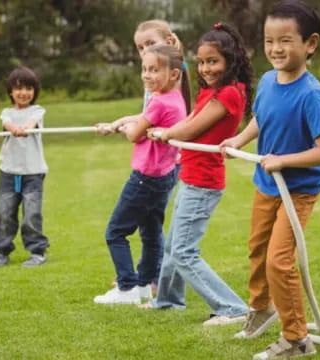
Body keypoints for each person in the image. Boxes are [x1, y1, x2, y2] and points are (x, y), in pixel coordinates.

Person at [219, 1, 320, 358]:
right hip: (266, 184)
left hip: (297, 190)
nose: (275, 48)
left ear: (310, 44)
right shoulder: (269, 80)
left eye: (285, 40)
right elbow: (261, 119)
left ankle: (297, 339)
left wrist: (283, 160)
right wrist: (238, 139)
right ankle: (261, 309)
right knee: (257, 249)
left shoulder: (311, 94)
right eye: (269, 40)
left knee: (279, 260)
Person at [142, 24, 252, 326]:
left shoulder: (229, 93)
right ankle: (167, 300)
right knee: (173, 245)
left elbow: (191, 128)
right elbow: (192, 116)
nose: (206, 68)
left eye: (213, 61)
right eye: (202, 62)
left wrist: (166, 133)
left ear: (232, 60)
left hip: (204, 182)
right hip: (191, 176)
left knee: (184, 252)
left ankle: (233, 308)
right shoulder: (214, 90)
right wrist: (167, 131)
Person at [97, 19, 191, 295]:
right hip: (162, 171)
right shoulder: (163, 89)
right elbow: (145, 120)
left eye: (151, 44)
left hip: (152, 172)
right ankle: (147, 281)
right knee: (151, 230)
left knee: (116, 232)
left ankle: (127, 286)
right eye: (141, 48)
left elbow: (139, 131)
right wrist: (117, 123)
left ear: (169, 42)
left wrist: (130, 129)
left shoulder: (169, 86)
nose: (145, 52)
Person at [0, 67, 49, 267]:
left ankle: (37, 252)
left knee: (31, 214)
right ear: (10, 92)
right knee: (5, 213)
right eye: (19, 88)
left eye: (29, 88)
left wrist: (27, 128)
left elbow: (33, 122)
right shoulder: (6, 113)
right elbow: (7, 123)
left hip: (33, 173)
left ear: (34, 91)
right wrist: (14, 128)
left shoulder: (37, 111)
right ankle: (1, 251)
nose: (24, 93)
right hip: (8, 172)